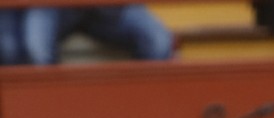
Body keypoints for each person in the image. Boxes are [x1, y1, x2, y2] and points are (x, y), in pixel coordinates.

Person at [8, 4, 173, 64]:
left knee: (158, 41)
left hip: (108, 8)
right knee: (37, 50)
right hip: (55, 7)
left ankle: (146, 117)